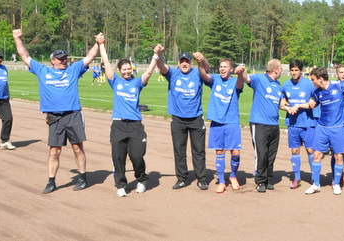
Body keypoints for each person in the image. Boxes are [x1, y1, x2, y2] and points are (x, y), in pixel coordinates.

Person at [13, 29, 101, 194]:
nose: (64, 61)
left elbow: (89, 57)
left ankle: (83, 177)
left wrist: (98, 43)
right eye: (60, 59)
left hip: (73, 114)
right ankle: (51, 181)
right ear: (52, 60)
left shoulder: (73, 70)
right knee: (54, 151)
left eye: (65, 58)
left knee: (77, 147)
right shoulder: (42, 71)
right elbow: (25, 56)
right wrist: (17, 39)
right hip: (54, 117)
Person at [287, 67, 344, 195]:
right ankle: (315, 184)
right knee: (317, 155)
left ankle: (336, 183)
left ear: (321, 79)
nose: (311, 82)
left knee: (339, 156)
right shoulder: (317, 92)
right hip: (322, 128)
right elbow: (310, 105)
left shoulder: (338, 86)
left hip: (337, 128)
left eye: (313, 79)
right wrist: (297, 106)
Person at [99, 39, 157, 197]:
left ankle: (141, 179)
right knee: (118, 157)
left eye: (128, 69)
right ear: (119, 70)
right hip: (118, 125)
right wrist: (101, 44)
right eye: (124, 69)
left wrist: (155, 56)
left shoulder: (137, 83)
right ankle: (121, 184)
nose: (126, 71)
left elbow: (149, 72)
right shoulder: (115, 81)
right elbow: (106, 62)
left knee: (137, 156)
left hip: (135, 126)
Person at [155, 46, 208, 191]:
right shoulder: (173, 73)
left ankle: (201, 179)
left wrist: (202, 60)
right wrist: (158, 54)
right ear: (178, 63)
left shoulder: (197, 73)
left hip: (196, 118)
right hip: (178, 119)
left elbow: (206, 68)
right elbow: (161, 66)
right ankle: (181, 178)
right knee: (179, 150)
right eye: (182, 61)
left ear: (191, 62)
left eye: (187, 61)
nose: (184, 64)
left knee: (199, 151)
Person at [195, 53, 246, 193]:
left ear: (231, 69)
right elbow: (204, 75)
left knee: (235, 152)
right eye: (221, 67)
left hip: (232, 121)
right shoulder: (215, 79)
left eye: (225, 67)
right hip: (217, 121)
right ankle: (222, 181)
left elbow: (240, 83)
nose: (222, 69)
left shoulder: (235, 81)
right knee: (219, 151)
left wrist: (241, 73)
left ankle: (233, 176)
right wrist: (200, 62)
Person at [243, 59, 285, 192]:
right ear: (276, 69)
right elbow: (247, 79)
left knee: (271, 154)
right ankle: (260, 181)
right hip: (259, 123)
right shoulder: (260, 79)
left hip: (274, 124)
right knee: (261, 153)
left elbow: (280, 104)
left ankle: (268, 179)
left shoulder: (278, 85)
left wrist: (290, 108)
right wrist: (241, 72)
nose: (282, 71)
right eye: (281, 68)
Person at [279, 59, 317, 189]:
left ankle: (314, 177)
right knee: (295, 151)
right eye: (292, 70)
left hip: (307, 123)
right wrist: (287, 108)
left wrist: (299, 106)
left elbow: (313, 103)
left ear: (301, 71)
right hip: (293, 123)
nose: (294, 73)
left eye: (296, 70)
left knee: (310, 150)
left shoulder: (309, 85)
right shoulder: (285, 85)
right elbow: (282, 103)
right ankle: (297, 178)